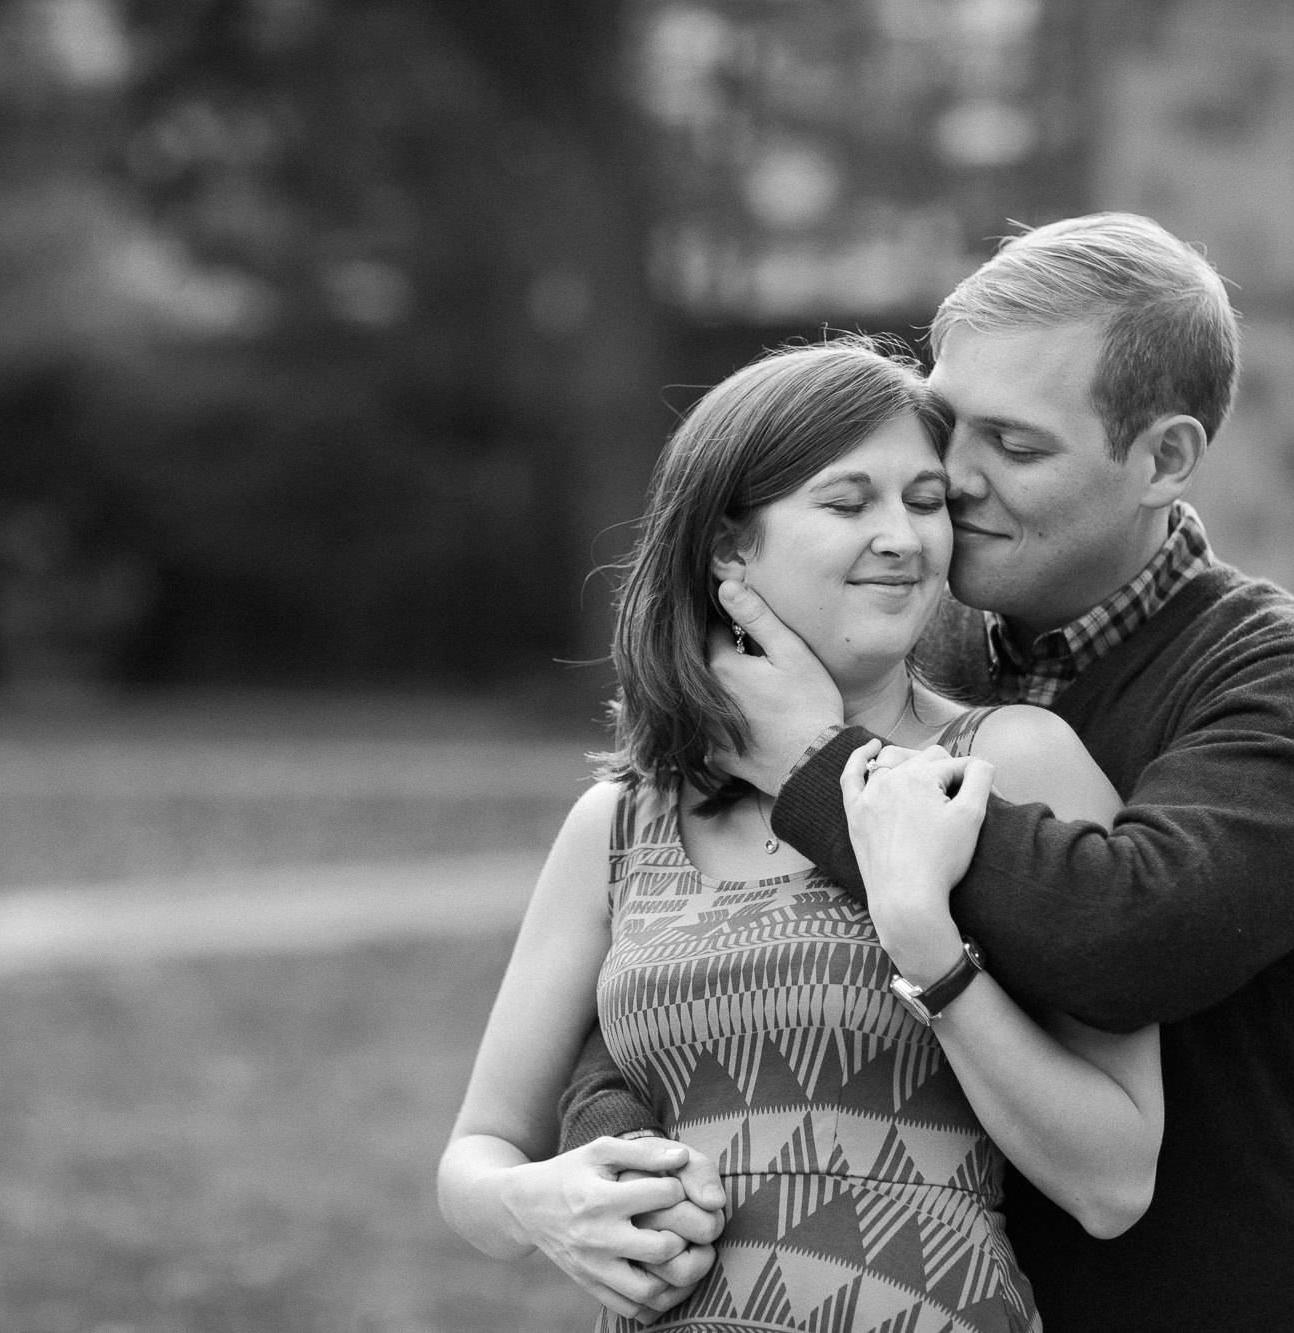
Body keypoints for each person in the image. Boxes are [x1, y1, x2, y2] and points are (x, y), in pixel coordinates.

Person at [558, 214, 1294, 1333]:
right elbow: (681, 934)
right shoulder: (909, 654)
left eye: (1014, 444)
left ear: (1163, 458)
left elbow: (1123, 936)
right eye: (947, 422)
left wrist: (818, 769)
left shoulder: (1291, 683)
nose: (948, 478)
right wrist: (607, 1137)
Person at [438, 339, 1165, 1331]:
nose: (903, 537)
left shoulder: (1007, 763)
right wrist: (543, 1201)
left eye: (922, 500)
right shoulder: (620, 821)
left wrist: (927, 948)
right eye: (847, 501)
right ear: (730, 548)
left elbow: (1113, 1179)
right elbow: (477, 1153)